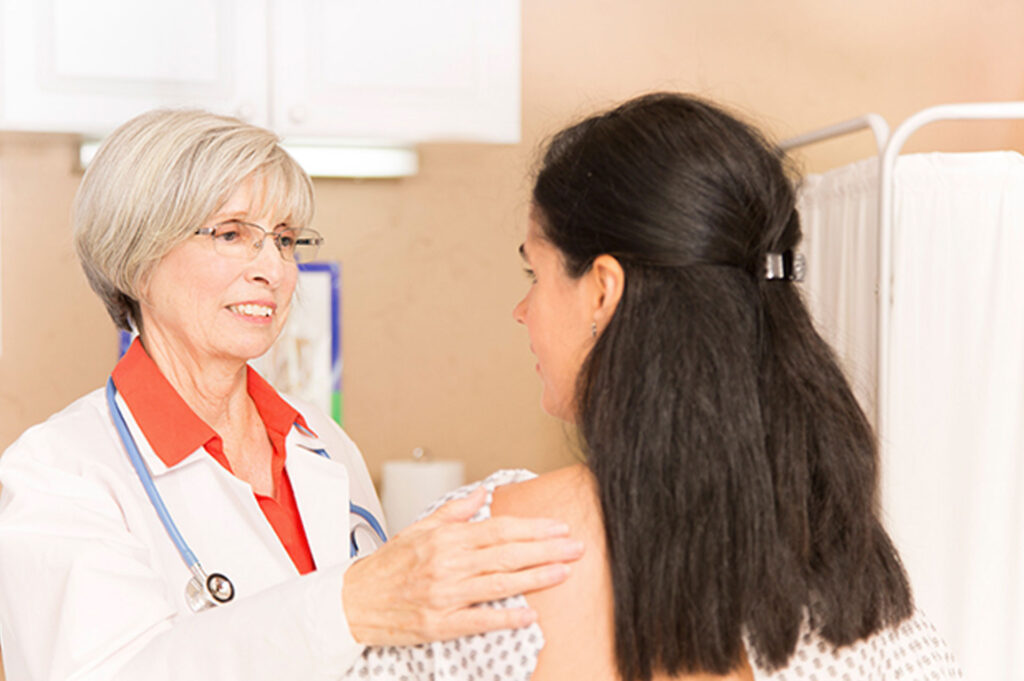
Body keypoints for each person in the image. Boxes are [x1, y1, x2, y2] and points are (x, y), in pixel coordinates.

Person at [337, 93, 963, 680]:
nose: (523, 309)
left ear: (603, 292)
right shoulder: (854, 575)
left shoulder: (490, 549)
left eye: (536, 273)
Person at [0, 109, 583, 680]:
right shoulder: (59, 475)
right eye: (231, 234)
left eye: (284, 240)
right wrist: (350, 604)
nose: (273, 270)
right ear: (135, 257)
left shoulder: (320, 443)